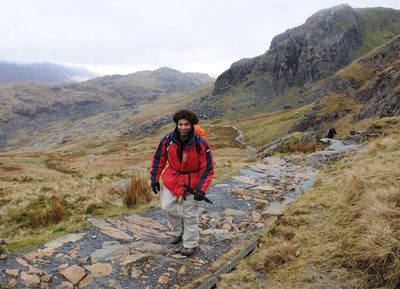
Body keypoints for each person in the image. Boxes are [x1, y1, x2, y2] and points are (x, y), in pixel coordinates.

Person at [150, 109, 214, 256]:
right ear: (176, 124)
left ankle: (190, 243)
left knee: (189, 214)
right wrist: (154, 178)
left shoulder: (201, 144)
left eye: (186, 124)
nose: (183, 127)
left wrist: (201, 189)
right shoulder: (167, 140)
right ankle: (178, 231)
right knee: (166, 206)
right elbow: (159, 158)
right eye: (180, 124)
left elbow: (208, 168)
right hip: (172, 178)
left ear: (192, 125)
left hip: (192, 183)